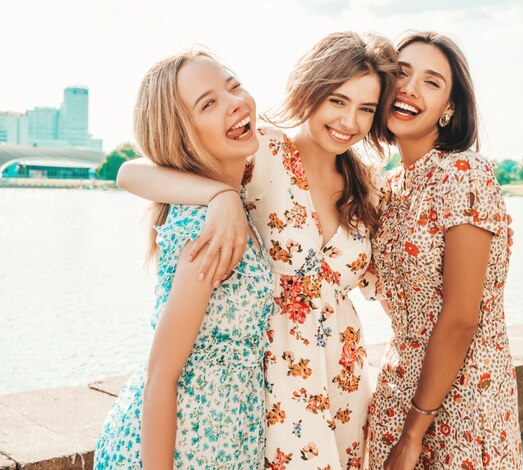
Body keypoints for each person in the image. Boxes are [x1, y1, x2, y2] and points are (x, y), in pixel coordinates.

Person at [116, 31, 398, 469]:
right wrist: (220, 196)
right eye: (338, 101)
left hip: (343, 376)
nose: (350, 121)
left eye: (366, 108)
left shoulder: (369, 189)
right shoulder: (263, 151)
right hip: (272, 375)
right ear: (311, 90)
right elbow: (132, 172)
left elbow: (393, 291)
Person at [94, 50, 274, 469]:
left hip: (222, 440)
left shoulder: (232, 205)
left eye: (233, 86)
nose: (234, 102)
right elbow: (161, 375)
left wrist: (224, 194)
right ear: (181, 135)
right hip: (184, 447)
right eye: (208, 103)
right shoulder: (205, 228)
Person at [363, 32, 523, 469]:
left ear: (449, 108)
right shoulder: (389, 186)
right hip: (398, 387)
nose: (410, 88)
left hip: (464, 399)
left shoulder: (465, 173)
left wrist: (413, 433)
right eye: (401, 73)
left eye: (432, 82)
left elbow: (460, 318)